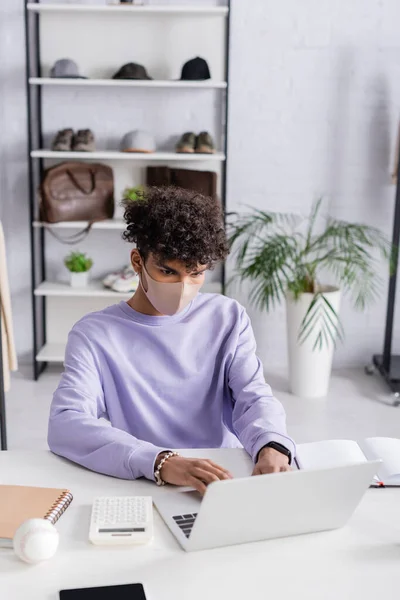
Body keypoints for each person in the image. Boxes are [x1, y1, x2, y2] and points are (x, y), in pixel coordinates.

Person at [48, 186, 295, 494]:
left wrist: (271, 443)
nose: (183, 287)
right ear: (137, 262)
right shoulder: (94, 335)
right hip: (148, 480)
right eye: (167, 271)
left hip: (224, 478)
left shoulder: (227, 317)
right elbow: (67, 423)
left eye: (196, 273)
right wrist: (159, 462)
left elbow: (253, 395)